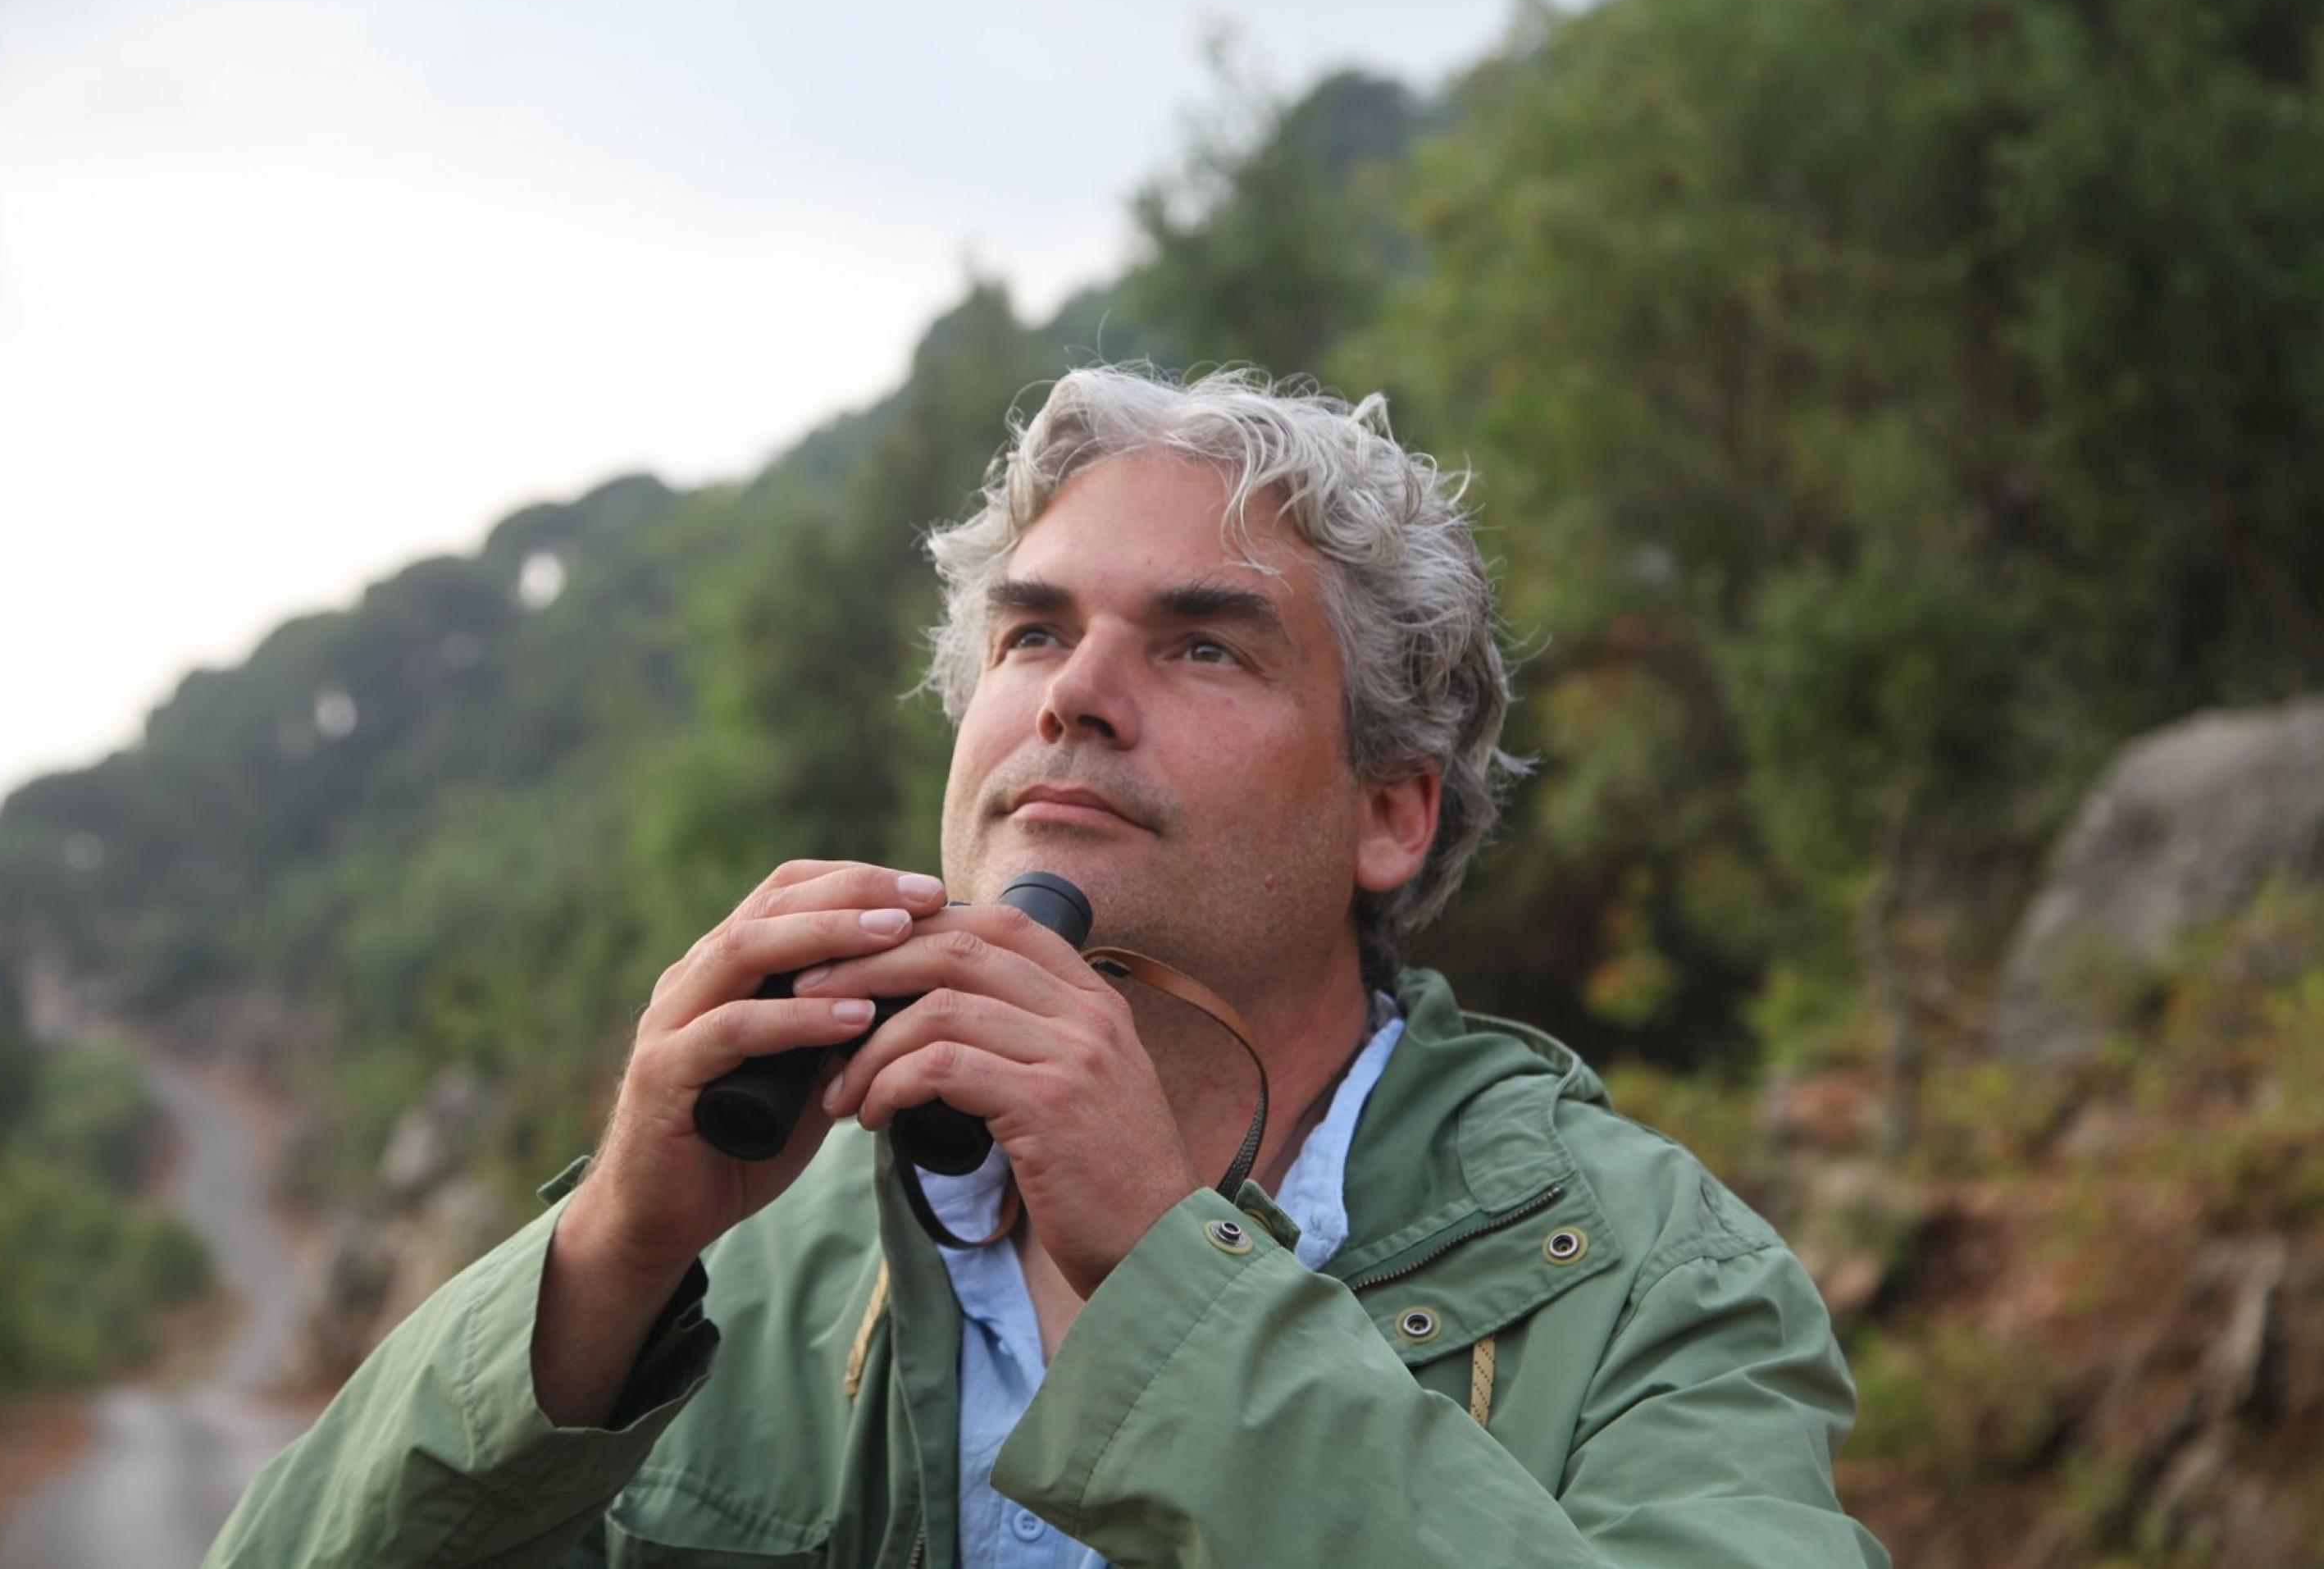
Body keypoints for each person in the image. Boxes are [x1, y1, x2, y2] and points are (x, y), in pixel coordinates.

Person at [208, 367, 1889, 1567]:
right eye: (1030, 632)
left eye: (1202, 642)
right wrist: (601, 1261)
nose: (1073, 692)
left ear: (1388, 810)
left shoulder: (1658, 1271)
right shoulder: (728, 1266)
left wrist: (1170, 1273)